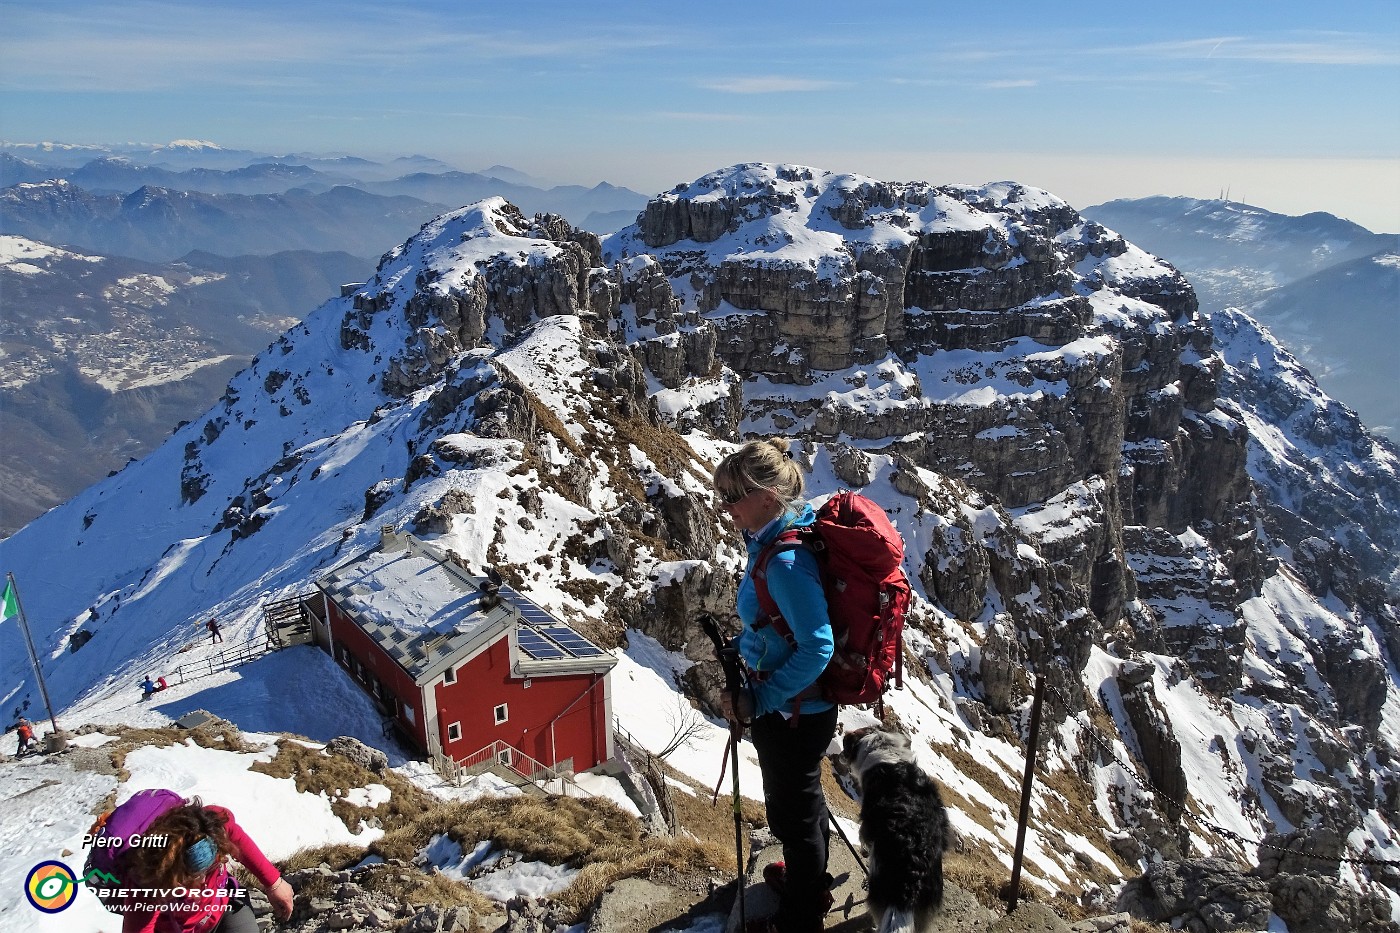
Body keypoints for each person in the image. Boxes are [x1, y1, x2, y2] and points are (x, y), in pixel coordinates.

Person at [713, 438, 837, 933]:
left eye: (732, 497)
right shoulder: (780, 537)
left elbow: (817, 646)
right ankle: (810, 879)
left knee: (794, 811)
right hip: (797, 707)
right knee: (802, 801)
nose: (725, 509)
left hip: (791, 711)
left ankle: (801, 917)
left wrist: (760, 698)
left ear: (765, 495)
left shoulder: (784, 561)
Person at [118, 796, 294, 932]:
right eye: (193, 876)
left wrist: (274, 883)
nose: (203, 881)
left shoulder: (210, 827)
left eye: (209, 869)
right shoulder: (149, 881)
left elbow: (235, 835)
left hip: (225, 908)